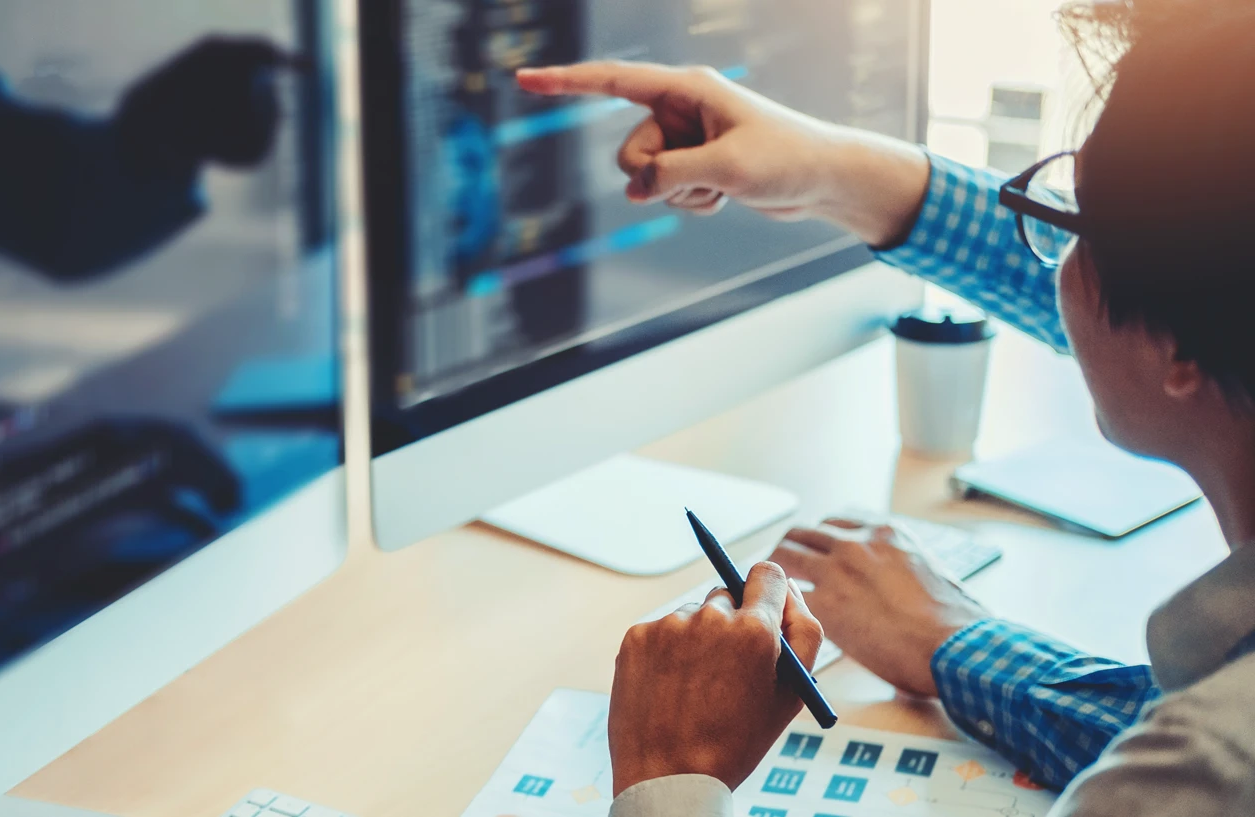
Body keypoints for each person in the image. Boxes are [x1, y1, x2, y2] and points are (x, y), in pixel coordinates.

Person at [516, 0, 1255, 813]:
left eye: (1074, 221)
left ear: (1185, 343)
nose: (1054, 269)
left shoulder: (1201, 768)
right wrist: (833, 170)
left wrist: (669, 776)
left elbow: (1191, 764)